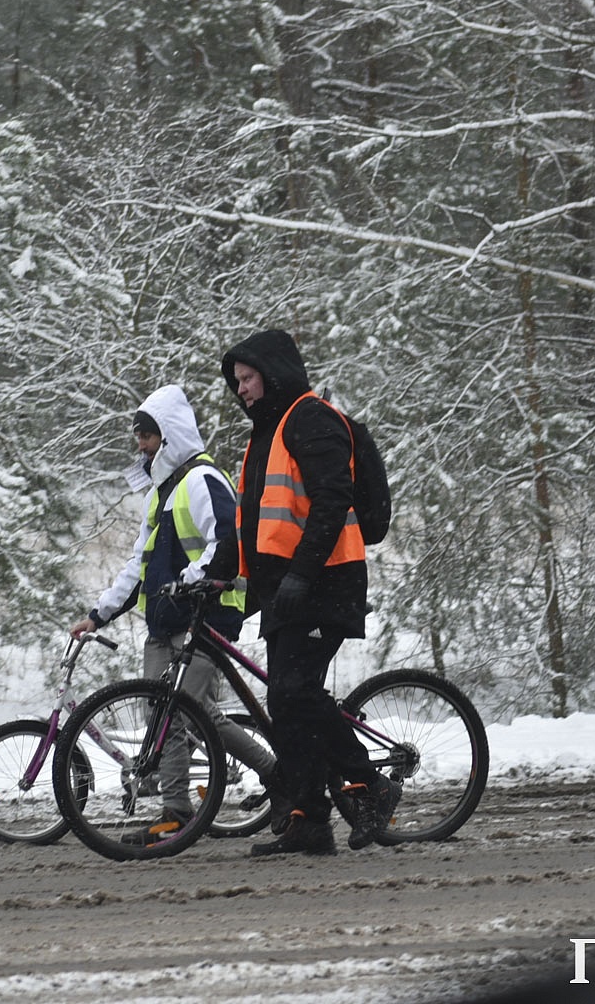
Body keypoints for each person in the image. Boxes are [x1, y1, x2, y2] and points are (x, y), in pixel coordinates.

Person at [69, 384, 276, 844]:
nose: (140, 444)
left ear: (171, 434)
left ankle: (178, 812)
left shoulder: (202, 480)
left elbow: (228, 542)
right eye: (138, 436)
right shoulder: (161, 492)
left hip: (204, 616)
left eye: (147, 434)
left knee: (181, 715)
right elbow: (138, 566)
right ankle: (265, 778)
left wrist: (189, 581)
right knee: (169, 715)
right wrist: (98, 614)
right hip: (164, 624)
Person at [220, 328, 400, 856]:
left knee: (297, 692)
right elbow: (250, 522)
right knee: (285, 701)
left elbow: (331, 501)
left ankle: (370, 784)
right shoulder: (265, 436)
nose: (242, 390)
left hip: (325, 583)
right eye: (237, 382)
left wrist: (301, 573)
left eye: (248, 378)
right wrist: (215, 575)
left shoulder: (310, 419)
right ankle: (309, 820)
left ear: (272, 374)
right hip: (287, 592)